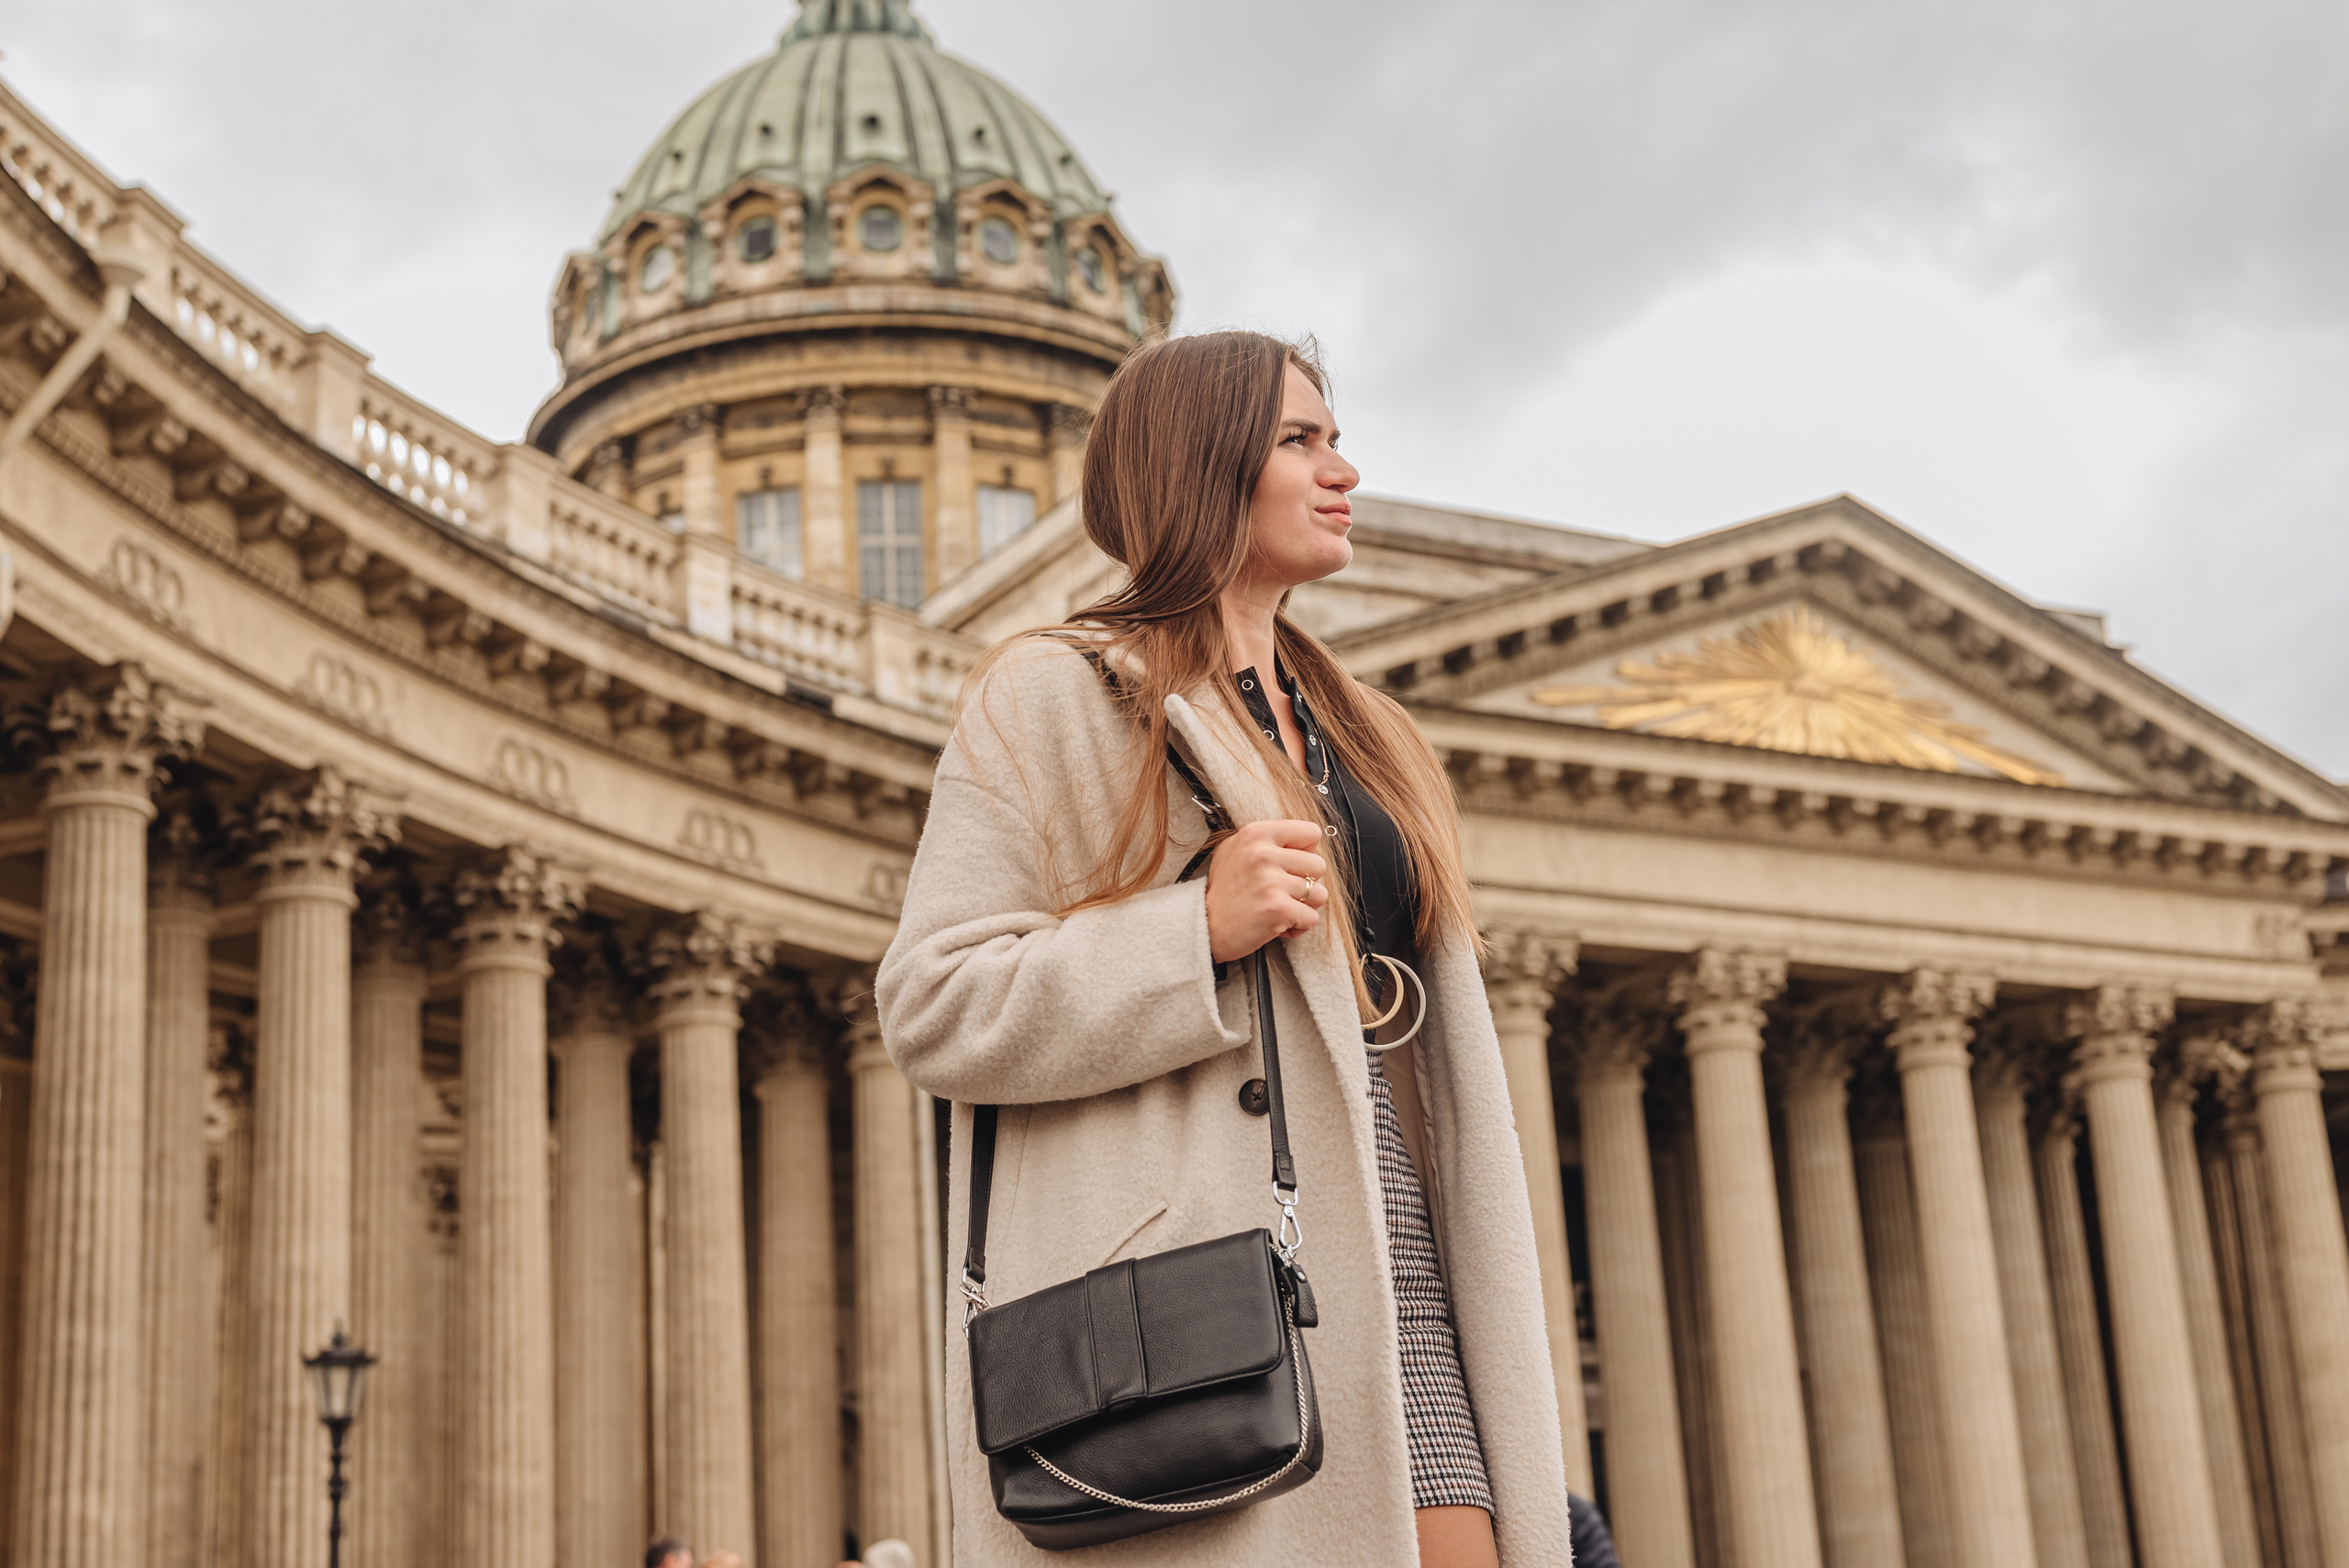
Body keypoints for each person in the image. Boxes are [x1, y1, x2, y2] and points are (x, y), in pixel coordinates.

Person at [878, 331, 1572, 1565]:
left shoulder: (1369, 733)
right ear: (1204, 466)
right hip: (1205, 1300)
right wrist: (1190, 932)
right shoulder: (1054, 690)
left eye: (1337, 437)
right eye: (1300, 441)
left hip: (1398, 1251)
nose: (1342, 469)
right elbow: (934, 1003)